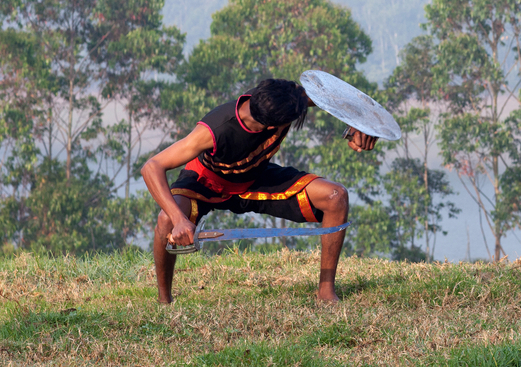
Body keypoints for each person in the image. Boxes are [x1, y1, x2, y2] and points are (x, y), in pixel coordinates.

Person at [140, 78, 377, 305]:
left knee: (336, 197)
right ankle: (164, 300)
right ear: (273, 126)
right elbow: (152, 167)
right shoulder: (214, 129)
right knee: (166, 220)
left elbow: (332, 96)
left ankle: (326, 292)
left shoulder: (282, 98)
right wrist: (179, 220)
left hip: (255, 176)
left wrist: (359, 124)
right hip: (207, 181)